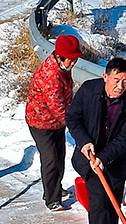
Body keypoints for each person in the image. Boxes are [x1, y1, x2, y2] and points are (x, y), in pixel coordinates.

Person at [65, 57, 126, 224]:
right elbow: (73, 118)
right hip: (89, 160)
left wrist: (103, 157)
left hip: (116, 162)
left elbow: (125, 138)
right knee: (98, 204)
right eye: (116, 80)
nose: (120, 86)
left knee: (114, 203)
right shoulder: (89, 90)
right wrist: (84, 141)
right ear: (105, 76)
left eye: (125, 81)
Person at [26, 34, 83, 211]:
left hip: (56, 123)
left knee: (59, 157)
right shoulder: (51, 77)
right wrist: (76, 126)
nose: (73, 64)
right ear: (60, 57)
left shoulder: (62, 66)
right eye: (71, 60)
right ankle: (52, 199)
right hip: (41, 122)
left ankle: (54, 189)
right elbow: (57, 107)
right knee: (50, 159)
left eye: (75, 60)